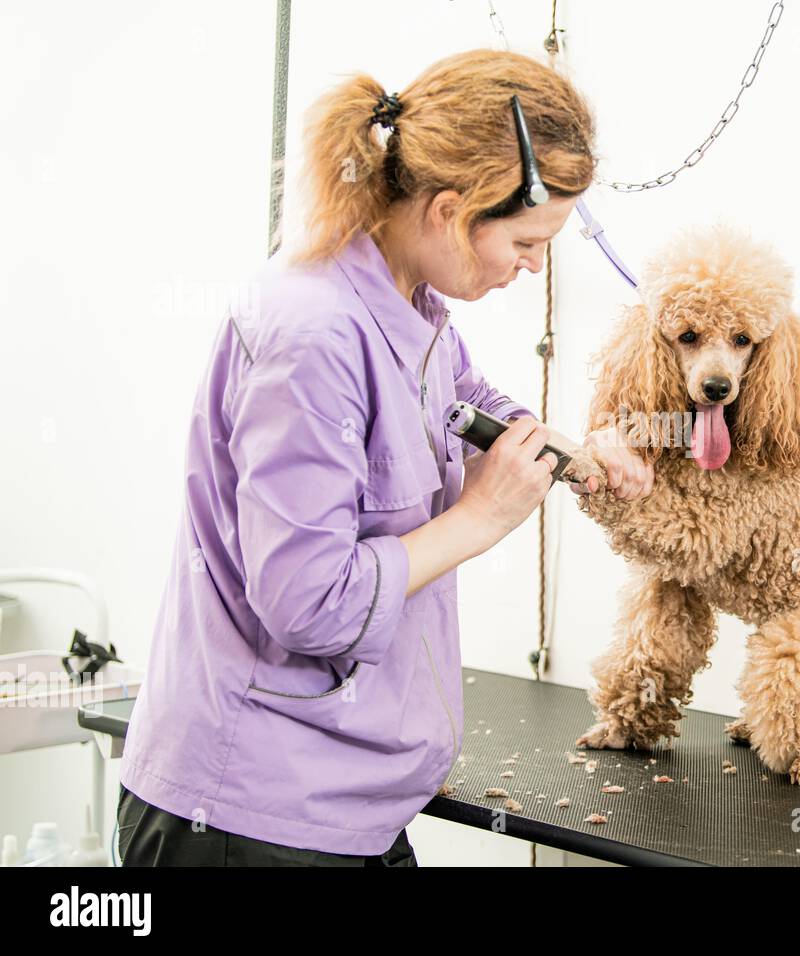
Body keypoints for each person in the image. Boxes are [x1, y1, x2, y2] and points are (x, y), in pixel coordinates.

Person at [116, 49, 652, 866]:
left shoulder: (413, 306)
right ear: (448, 208)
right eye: (526, 239)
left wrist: (580, 457)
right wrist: (481, 517)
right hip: (248, 815)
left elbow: (472, 406)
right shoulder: (314, 335)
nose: (534, 265)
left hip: (351, 804)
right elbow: (307, 603)